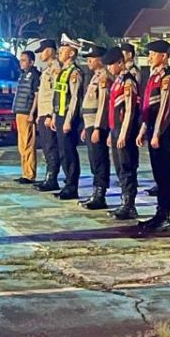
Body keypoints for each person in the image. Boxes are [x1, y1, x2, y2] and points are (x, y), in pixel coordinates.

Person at [137, 39, 170, 232]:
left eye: (153, 54)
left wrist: (158, 132)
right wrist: (144, 129)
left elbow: (165, 108)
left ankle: (165, 215)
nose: (150, 57)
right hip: (153, 129)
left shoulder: (167, 78)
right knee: (157, 174)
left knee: (164, 174)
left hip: (163, 132)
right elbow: (148, 106)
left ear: (164, 56)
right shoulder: (153, 76)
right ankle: (159, 213)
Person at [108, 44, 141, 221]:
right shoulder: (118, 81)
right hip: (115, 129)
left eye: (112, 64)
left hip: (124, 130)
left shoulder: (128, 81)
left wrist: (123, 133)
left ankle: (129, 205)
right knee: (120, 168)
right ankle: (124, 201)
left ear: (120, 62)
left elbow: (129, 110)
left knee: (127, 167)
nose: (109, 67)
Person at [51, 37, 86, 201]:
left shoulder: (74, 73)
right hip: (58, 115)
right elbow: (57, 96)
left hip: (67, 117)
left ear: (71, 53)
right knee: (62, 152)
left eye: (64, 50)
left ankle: (72, 186)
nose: (60, 52)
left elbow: (75, 99)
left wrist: (67, 120)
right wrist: (53, 115)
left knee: (69, 152)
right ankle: (67, 183)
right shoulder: (63, 71)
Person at [80, 45, 112, 210]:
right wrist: (87, 126)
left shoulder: (104, 77)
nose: (89, 61)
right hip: (90, 123)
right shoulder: (94, 77)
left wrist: (98, 127)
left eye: (91, 58)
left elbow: (103, 104)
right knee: (94, 160)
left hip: (97, 124)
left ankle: (100, 195)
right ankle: (95, 192)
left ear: (101, 59)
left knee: (99, 160)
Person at [34, 39, 62, 192]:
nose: (40, 54)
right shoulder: (47, 69)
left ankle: (52, 178)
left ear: (50, 51)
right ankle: (48, 176)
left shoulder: (56, 68)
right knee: (45, 147)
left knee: (51, 147)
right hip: (43, 113)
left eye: (42, 51)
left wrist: (51, 114)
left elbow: (55, 94)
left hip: (49, 114)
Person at [11, 49, 41, 186]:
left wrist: (32, 113)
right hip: (20, 112)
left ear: (31, 62)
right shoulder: (23, 75)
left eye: (24, 60)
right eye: (20, 60)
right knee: (22, 145)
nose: (21, 63)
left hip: (27, 113)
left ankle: (30, 174)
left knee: (28, 144)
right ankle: (25, 172)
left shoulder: (34, 75)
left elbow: (36, 95)